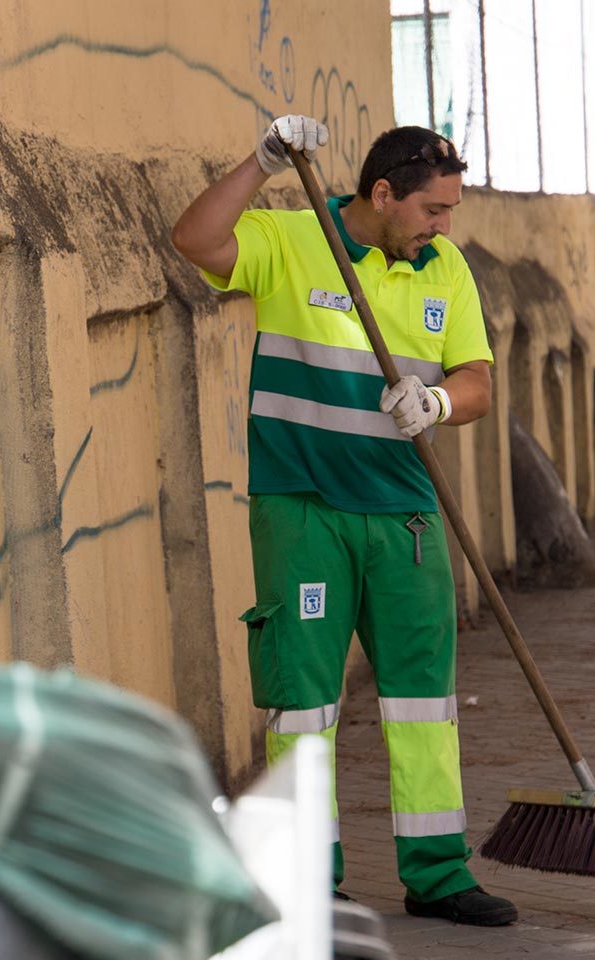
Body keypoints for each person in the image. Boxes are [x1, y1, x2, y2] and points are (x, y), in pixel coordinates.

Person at [170, 115, 517, 926]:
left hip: (406, 517)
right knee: (303, 706)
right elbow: (194, 238)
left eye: (451, 212)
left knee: (424, 702)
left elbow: (478, 383)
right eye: (433, 210)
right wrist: (259, 161)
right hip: (306, 512)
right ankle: (306, 882)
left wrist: (434, 401)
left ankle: (438, 875)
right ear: (383, 193)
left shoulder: (446, 271)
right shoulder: (296, 241)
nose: (443, 226)